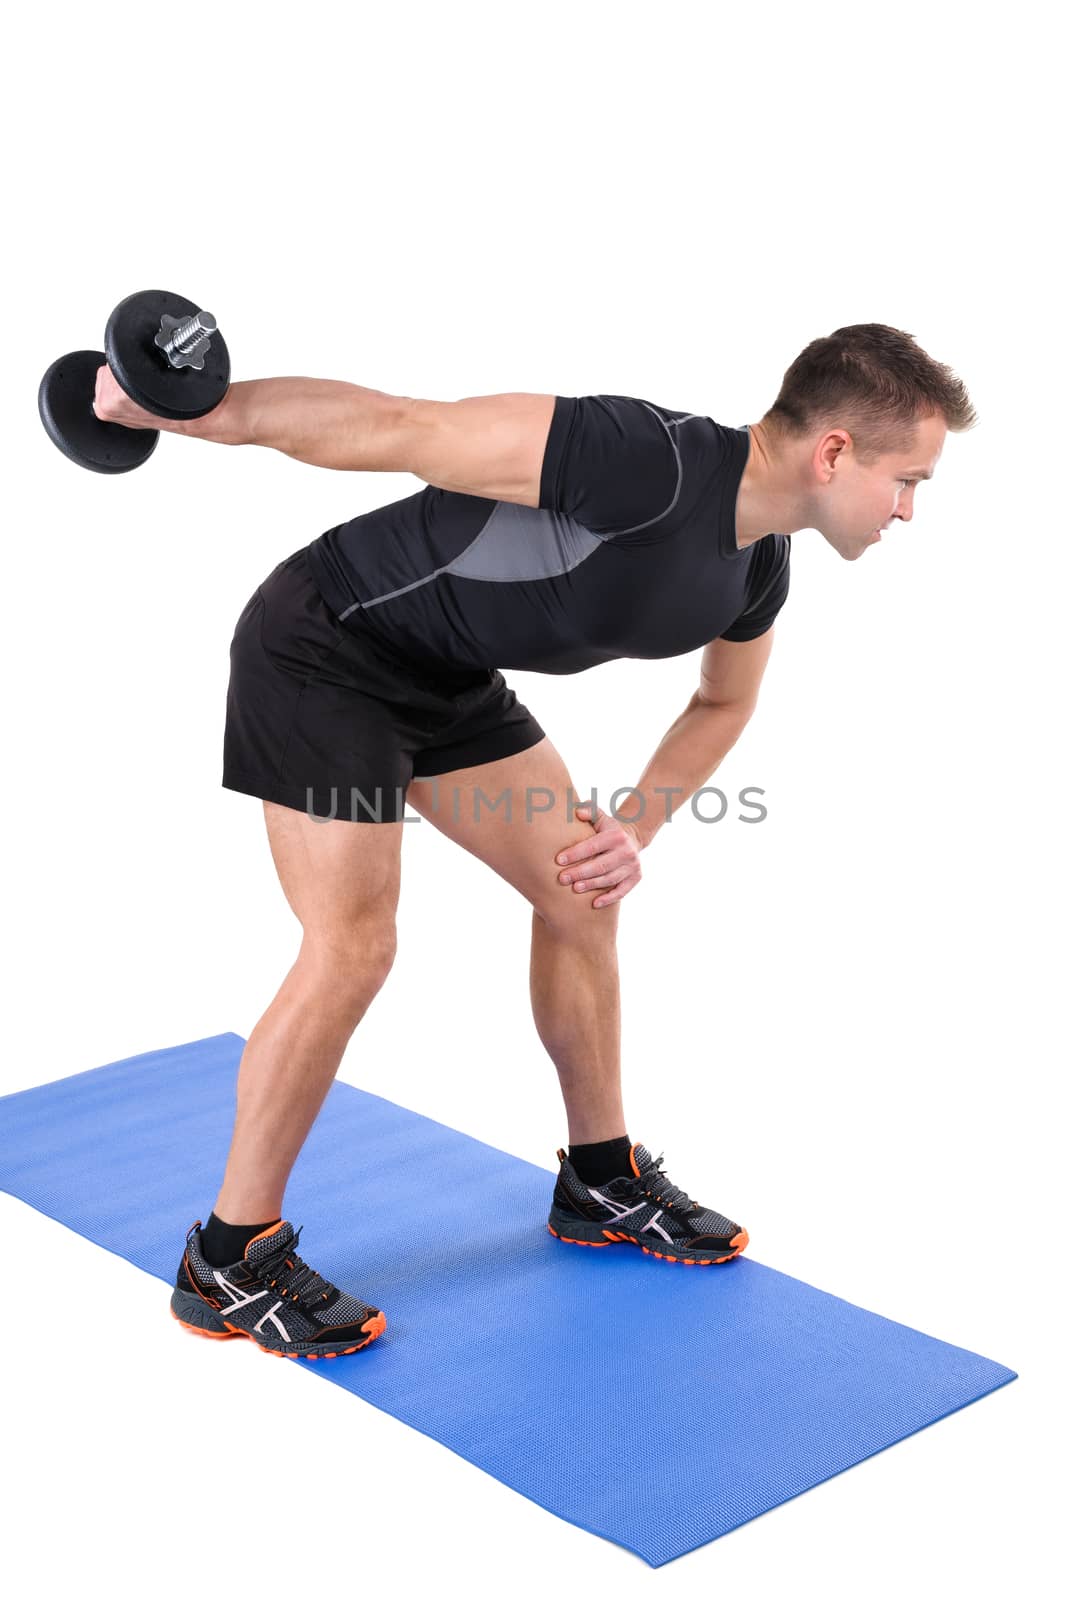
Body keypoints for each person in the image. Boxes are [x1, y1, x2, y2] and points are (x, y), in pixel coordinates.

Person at [92, 321, 975, 1360]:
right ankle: (228, 1257)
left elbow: (721, 703)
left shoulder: (759, 568)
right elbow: (399, 427)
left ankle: (600, 1179)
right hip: (323, 648)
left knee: (582, 889)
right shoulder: (643, 460)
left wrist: (634, 826)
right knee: (356, 946)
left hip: (444, 677)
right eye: (907, 479)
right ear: (835, 453)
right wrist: (189, 408)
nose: (909, 508)